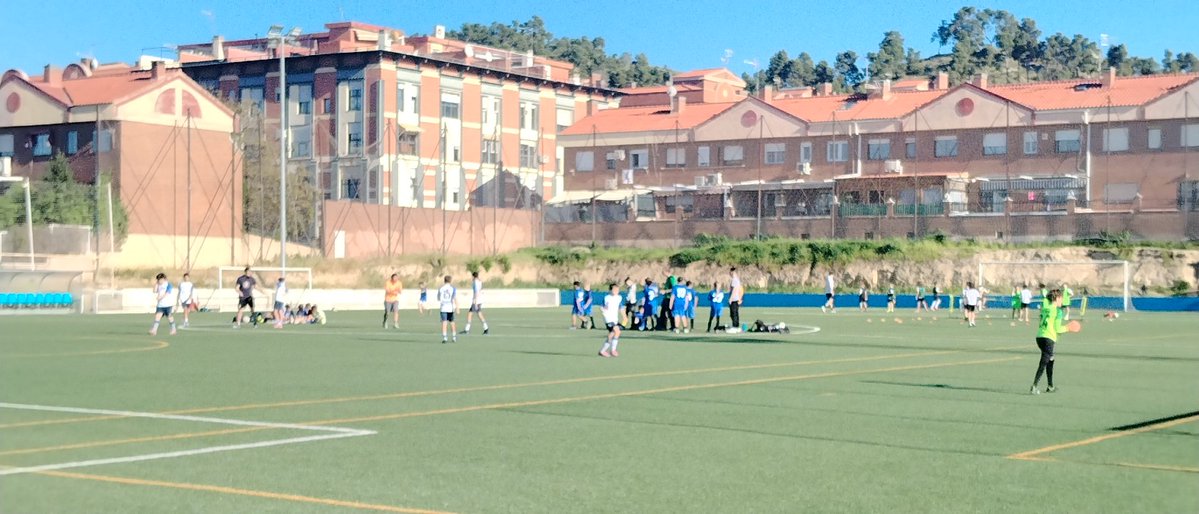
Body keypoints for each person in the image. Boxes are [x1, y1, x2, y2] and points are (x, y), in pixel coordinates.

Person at [1030, 290, 1070, 395]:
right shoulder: (1058, 311)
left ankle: (1050, 386)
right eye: (1061, 298)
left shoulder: (1045, 308)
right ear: (1057, 299)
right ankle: (1034, 386)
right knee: (1043, 362)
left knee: (1050, 359)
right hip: (1049, 338)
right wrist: (1068, 328)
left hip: (1039, 337)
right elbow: (1058, 329)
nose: (1062, 300)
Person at [598, 283, 623, 358]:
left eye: (617, 289)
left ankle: (602, 351)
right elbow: (602, 307)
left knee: (612, 334)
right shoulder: (607, 298)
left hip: (615, 319)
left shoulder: (619, 297)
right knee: (617, 331)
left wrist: (624, 316)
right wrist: (603, 309)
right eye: (614, 289)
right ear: (610, 290)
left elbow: (621, 307)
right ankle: (613, 350)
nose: (616, 291)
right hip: (608, 318)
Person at [437, 275, 458, 343]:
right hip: (450, 307)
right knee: (452, 322)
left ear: (444, 280)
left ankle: (445, 337)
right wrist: (457, 307)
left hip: (443, 307)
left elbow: (438, 298)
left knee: (444, 322)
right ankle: (454, 337)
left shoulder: (441, 288)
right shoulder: (453, 288)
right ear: (450, 281)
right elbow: (454, 298)